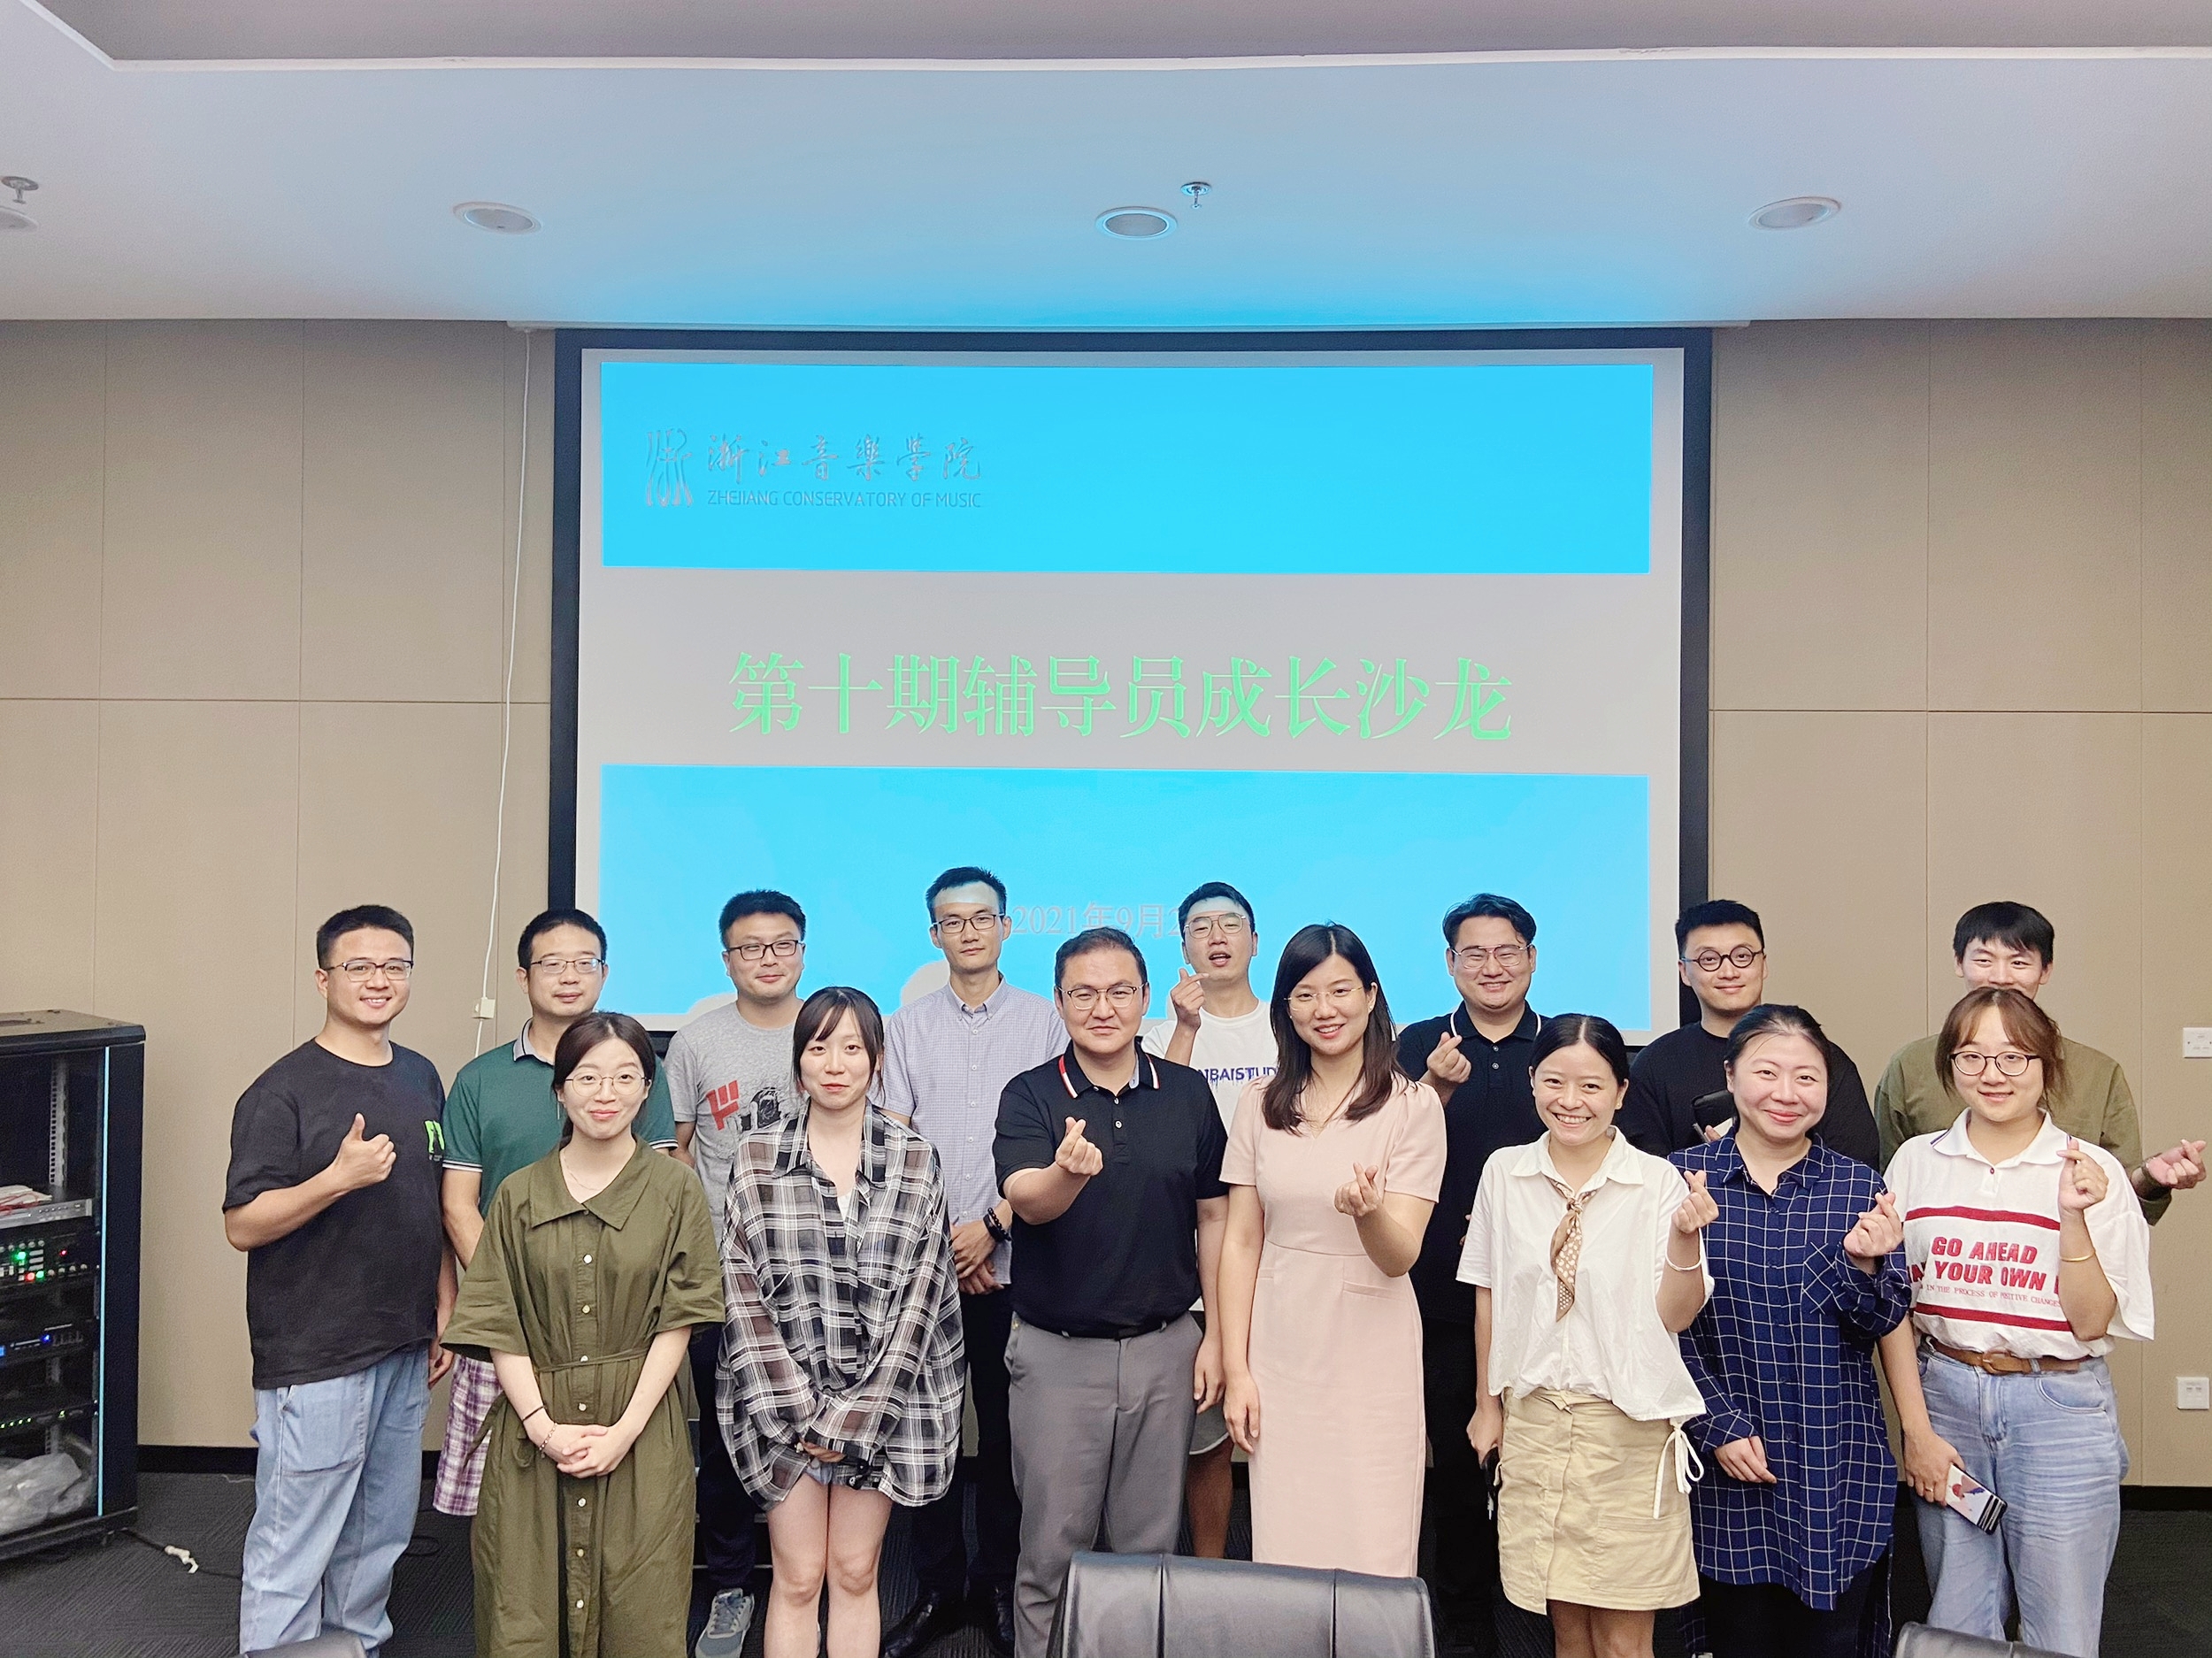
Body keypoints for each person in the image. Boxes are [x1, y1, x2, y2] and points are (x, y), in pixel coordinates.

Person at [1878, 986, 2154, 1658]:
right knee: (1957, 1616)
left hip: (2058, 1405)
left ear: (2047, 1063)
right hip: (1947, 1399)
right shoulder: (1916, 1161)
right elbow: (1893, 1306)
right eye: (1971, 1056)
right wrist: (1917, 1431)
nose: (1992, 1074)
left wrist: (2072, 1217)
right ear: (1949, 1066)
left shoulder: (2092, 1169)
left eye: (2014, 1057)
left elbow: (2092, 1320)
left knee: (2061, 1624)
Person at [442, 1012, 724, 1658]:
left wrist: (623, 1432)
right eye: (588, 1077)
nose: (606, 1093)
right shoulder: (517, 1195)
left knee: (640, 1616)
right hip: (532, 1429)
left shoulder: (677, 1190)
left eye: (625, 1077)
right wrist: (544, 1428)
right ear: (560, 1089)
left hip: (642, 1429)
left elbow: (679, 1320)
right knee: (524, 1616)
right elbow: (499, 1322)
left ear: (646, 1090)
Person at [223, 905, 456, 1658]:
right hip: (317, 1348)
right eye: (359, 966)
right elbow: (242, 1224)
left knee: (379, 1529)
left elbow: (429, 1200)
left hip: (404, 1339)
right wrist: (335, 1179)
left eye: (395, 966)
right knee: (296, 1534)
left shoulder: (420, 1075)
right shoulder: (282, 1090)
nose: (378, 980)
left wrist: (445, 1302)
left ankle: (355, 1645)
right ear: (324, 979)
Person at [994, 927, 1230, 1658]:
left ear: (1146, 997)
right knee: (1051, 1555)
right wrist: (1066, 1173)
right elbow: (1026, 1200)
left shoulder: (1186, 1092)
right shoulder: (1032, 1093)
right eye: (1085, 993)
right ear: (1060, 1001)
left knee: (1147, 1556)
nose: (1103, 1008)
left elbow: (1215, 1217)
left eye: (1120, 991)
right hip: (1059, 1357)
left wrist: (1218, 1339)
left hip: (1166, 1349)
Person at [1459, 1014, 1717, 1658]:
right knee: (1567, 1636)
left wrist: (1686, 1240)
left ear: (1621, 1093)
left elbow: (1678, 1315)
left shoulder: (1657, 1182)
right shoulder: (1504, 1173)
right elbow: (1489, 1296)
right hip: (1536, 1426)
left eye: (1592, 1086)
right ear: (1531, 1082)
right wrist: (1487, 1407)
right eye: (1554, 1082)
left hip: (1625, 1432)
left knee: (1624, 1643)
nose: (1570, 1101)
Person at [722, 987, 966, 1658]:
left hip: (884, 1408)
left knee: (856, 1571)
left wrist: (853, 1420)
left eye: (853, 1048)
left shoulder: (915, 1158)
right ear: (798, 1060)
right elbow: (742, 1296)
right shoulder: (757, 1157)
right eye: (819, 1047)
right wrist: (806, 1417)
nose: (836, 1064)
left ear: (877, 1059)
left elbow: (923, 1301)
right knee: (799, 1576)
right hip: (782, 1409)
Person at [1672, 1005, 1910, 1658]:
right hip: (1728, 1460)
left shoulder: (1859, 1187)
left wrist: (1865, 1266)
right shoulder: (1680, 1179)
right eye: (1766, 1072)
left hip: (1836, 1456)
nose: (1786, 1093)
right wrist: (1716, 1425)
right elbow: (1654, 1326)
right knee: (1737, 1637)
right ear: (1730, 1076)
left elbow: (1879, 1322)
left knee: (1831, 1639)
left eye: (1806, 1077)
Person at [434, 908, 681, 1520]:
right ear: (523, 976)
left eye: (584, 962)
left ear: (605, 973)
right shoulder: (480, 1080)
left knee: (619, 1497)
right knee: (506, 1503)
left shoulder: (640, 1074)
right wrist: (514, 1297)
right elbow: (459, 1204)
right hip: (512, 1321)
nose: (569, 976)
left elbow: (657, 1199)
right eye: (552, 963)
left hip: (619, 1325)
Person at [1217, 924, 1444, 1576]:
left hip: (1371, 1350)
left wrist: (1370, 1215)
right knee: (1288, 1542)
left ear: (1370, 996)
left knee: (1373, 1540)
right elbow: (1241, 1240)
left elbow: (1400, 1256)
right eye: (1306, 994)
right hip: (1281, 1346)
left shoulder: (1413, 1107)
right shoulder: (1259, 1103)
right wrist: (1238, 1370)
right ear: (1285, 1008)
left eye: (1341, 990)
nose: (1326, 1009)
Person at [880, 867, 1065, 1658]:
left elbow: (1062, 1143)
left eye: (982, 918)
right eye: (952, 921)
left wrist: (991, 1228)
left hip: (1017, 1265)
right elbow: (890, 1146)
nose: (968, 932)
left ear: (1006, 927)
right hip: (929, 1270)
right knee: (927, 1433)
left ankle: (997, 1583)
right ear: (935, 935)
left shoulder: (1047, 1023)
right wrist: (948, 1247)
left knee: (1007, 1436)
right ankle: (936, 1587)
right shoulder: (904, 1028)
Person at [1392, 893, 1547, 1654]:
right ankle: (1461, 1621)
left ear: (1531, 959)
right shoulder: (1416, 1043)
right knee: (1456, 1460)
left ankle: (1540, 1612)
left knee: (1544, 1458)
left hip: (1549, 1295)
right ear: (1451, 963)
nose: (1492, 967)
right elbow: (1379, 1147)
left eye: (1507, 951)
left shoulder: (1562, 1046)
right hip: (1443, 1294)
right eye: (1474, 954)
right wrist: (1431, 1089)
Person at [664, 888, 808, 1658]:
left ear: (802, 951)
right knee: (724, 1440)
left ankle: (806, 1582)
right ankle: (729, 1587)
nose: (767, 959)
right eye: (750, 947)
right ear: (727, 960)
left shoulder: (830, 1028)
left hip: (819, 1279)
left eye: (782, 944)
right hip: (725, 1277)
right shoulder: (696, 1042)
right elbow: (677, 1151)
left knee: (815, 1435)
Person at [1874, 902, 2206, 1220]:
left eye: (2019, 963)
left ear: (2045, 970)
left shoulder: (2098, 1073)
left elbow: (2120, 1201)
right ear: (1959, 963)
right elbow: (1888, 1190)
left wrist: (2151, 1180)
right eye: (1984, 960)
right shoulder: (1911, 1065)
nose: (2001, 977)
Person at [1141, 879, 1279, 1562]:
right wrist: (1186, 1031)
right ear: (1184, 947)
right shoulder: (1156, 1032)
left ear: (1255, 941)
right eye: (1201, 927)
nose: (1217, 937)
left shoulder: (1290, 1024)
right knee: (1203, 1439)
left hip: (1277, 1257)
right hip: (1187, 1261)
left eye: (1230, 925)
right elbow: (1154, 1125)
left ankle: (1239, 1571)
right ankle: (1199, 1573)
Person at [1620, 900, 1881, 1167]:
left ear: (1763, 964)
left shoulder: (1820, 1058)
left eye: (1742, 956)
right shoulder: (1655, 1065)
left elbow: (1857, 1165)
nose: (1729, 972)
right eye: (1709, 959)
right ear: (1684, 971)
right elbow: (1643, 1173)